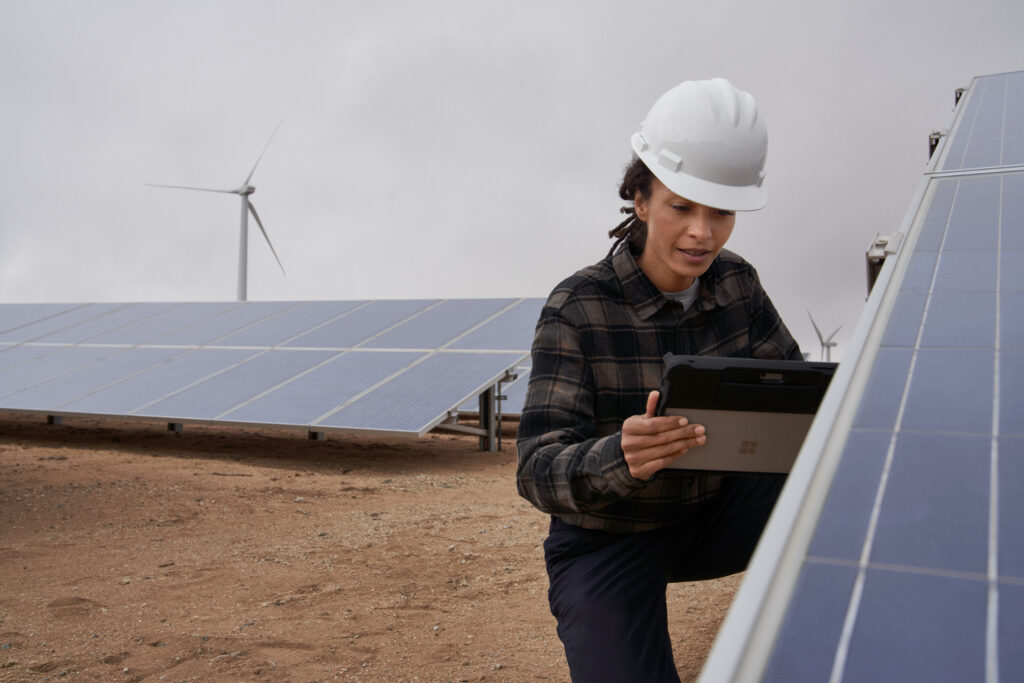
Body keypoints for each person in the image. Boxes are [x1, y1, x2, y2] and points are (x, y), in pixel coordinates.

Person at [516, 78, 802, 682]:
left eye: (721, 212)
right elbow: (536, 469)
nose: (703, 232)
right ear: (640, 198)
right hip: (608, 538)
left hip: (714, 514)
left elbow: (802, 396)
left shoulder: (737, 285)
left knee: (843, 476)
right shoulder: (577, 308)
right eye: (682, 207)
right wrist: (619, 455)